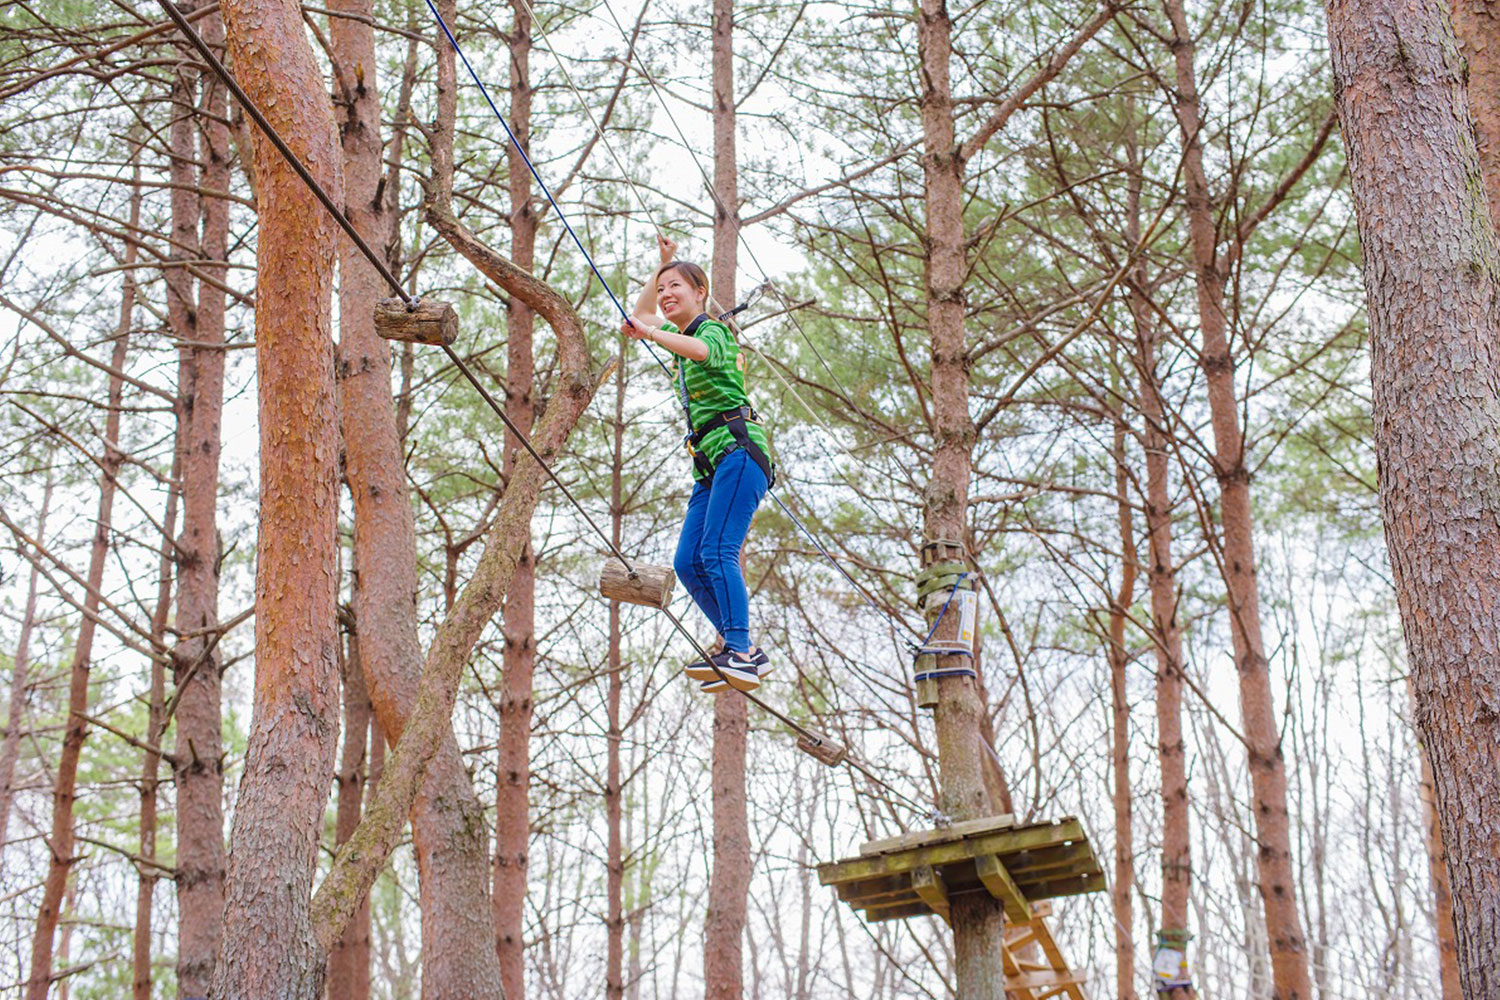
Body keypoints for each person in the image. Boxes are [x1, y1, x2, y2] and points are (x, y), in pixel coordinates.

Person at [622, 234, 773, 693]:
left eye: (677, 288)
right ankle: (741, 647)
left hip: (738, 452)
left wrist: (650, 332)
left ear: (700, 293)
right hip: (708, 465)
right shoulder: (677, 336)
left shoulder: (712, 331)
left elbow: (700, 352)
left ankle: (740, 649)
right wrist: (662, 264)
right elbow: (642, 314)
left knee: (717, 552)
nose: (666, 296)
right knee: (688, 562)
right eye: (663, 289)